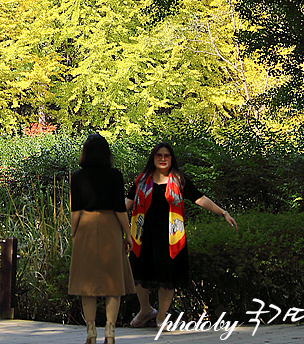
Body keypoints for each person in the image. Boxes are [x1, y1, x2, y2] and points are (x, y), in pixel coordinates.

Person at [126, 141, 238, 328]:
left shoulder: (179, 180)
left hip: (171, 237)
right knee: (139, 274)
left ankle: (161, 316)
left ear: (172, 159)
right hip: (143, 236)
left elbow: (200, 198)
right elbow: (128, 203)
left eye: (166, 156)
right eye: (159, 155)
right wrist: (108, 216)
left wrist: (223, 212)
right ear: (153, 158)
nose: (162, 159)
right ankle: (145, 310)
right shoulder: (141, 180)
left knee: (167, 277)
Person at [69, 133, 135, 344]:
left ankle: (90, 330)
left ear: (86, 153)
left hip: (86, 226)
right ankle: (110, 330)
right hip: (110, 227)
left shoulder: (77, 176)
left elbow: (75, 210)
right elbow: (119, 208)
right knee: (113, 281)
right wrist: (128, 234)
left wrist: (74, 233)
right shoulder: (115, 175)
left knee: (86, 283)